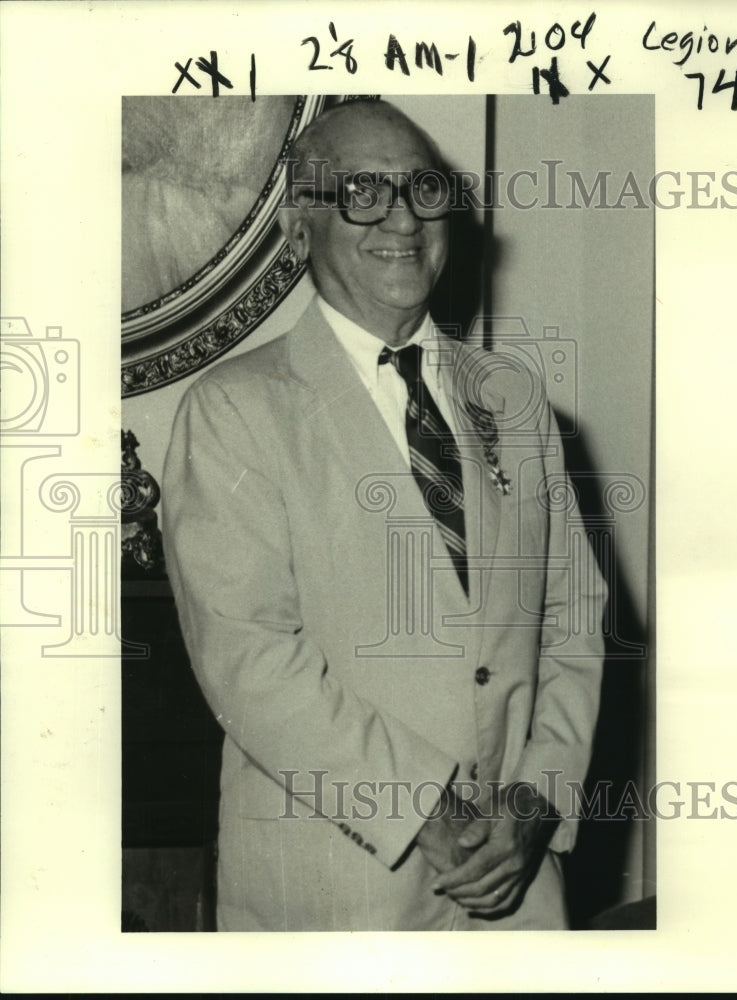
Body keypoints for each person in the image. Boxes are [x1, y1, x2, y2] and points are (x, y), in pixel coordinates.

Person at [163, 99, 607, 931]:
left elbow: (573, 621)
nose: (402, 218)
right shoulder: (235, 410)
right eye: (363, 191)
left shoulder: (512, 400)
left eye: (424, 189)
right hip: (338, 890)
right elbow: (252, 661)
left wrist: (537, 801)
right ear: (301, 229)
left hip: (517, 895)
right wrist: (429, 814)